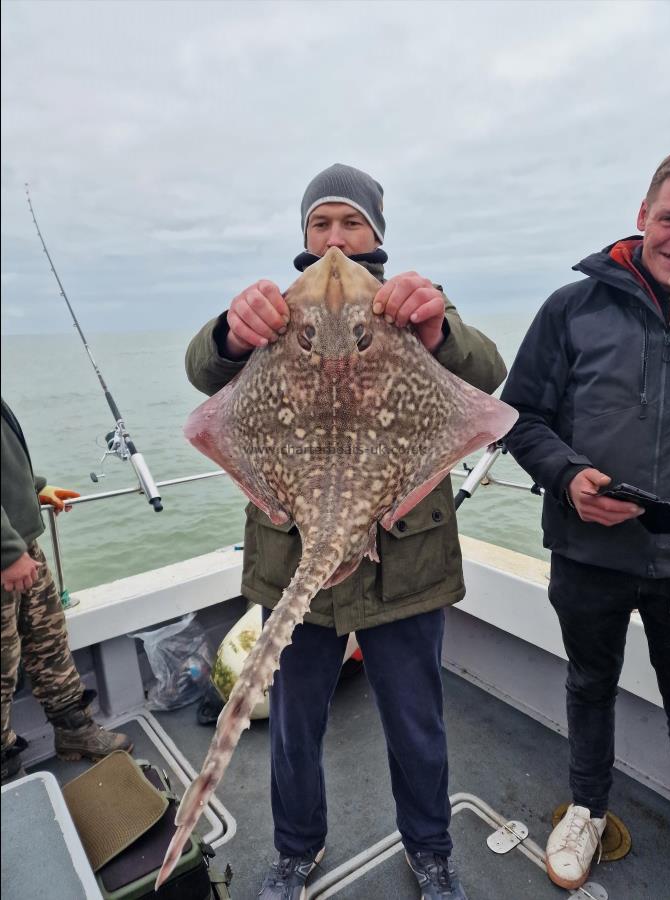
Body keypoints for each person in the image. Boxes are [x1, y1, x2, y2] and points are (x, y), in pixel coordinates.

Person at [185, 163, 507, 900]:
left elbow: (483, 373)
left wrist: (434, 327)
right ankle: (296, 851)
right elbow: (205, 373)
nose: (335, 239)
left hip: (405, 568)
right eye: (320, 224)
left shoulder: (416, 306)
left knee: (416, 726)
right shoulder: (271, 311)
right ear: (303, 235)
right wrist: (230, 336)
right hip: (291, 554)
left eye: (351, 222)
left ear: (376, 233)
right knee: (294, 732)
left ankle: (430, 853)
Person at [501, 152, 670, 891]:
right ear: (641, 217)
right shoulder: (569, 309)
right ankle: (587, 808)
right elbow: (519, 416)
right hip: (586, 549)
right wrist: (568, 478)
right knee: (588, 683)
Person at [1, 397, 133, 784]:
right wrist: (7, 551)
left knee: (49, 641)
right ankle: (8, 772)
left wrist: (33, 490)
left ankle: (74, 728)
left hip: (21, 544)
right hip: (8, 553)